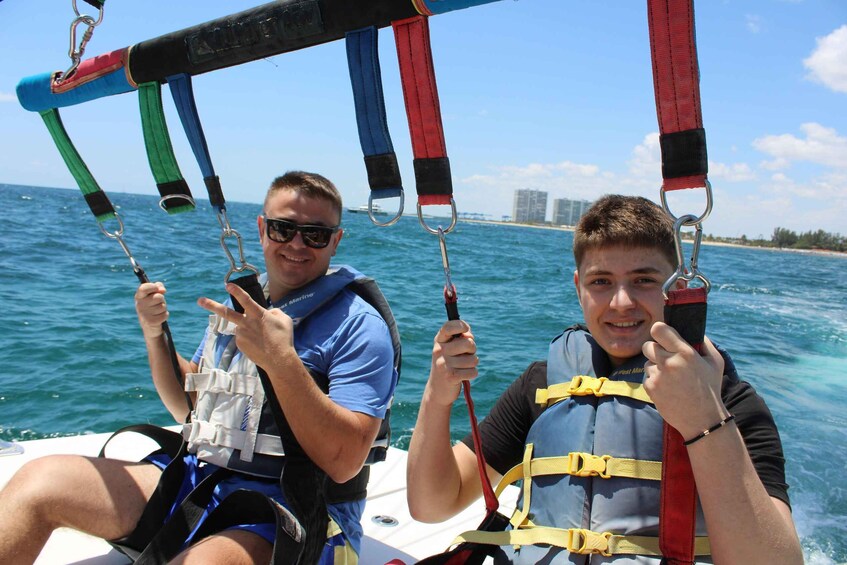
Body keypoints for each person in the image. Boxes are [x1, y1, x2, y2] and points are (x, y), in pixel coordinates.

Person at [0, 171, 399, 564]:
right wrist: (155, 334)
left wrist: (282, 362)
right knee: (39, 484)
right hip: (200, 482)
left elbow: (345, 462)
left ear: (335, 241)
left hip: (300, 508)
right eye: (283, 228)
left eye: (315, 234)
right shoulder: (242, 303)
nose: (297, 243)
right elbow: (187, 408)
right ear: (261, 229)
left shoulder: (360, 327)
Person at [406, 194, 803, 564]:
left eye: (644, 280)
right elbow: (432, 505)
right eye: (601, 282)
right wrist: (437, 396)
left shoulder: (727, 399)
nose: (621, 302)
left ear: (677, 288)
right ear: (579, 287)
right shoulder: (540, 384)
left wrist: (705, 419)